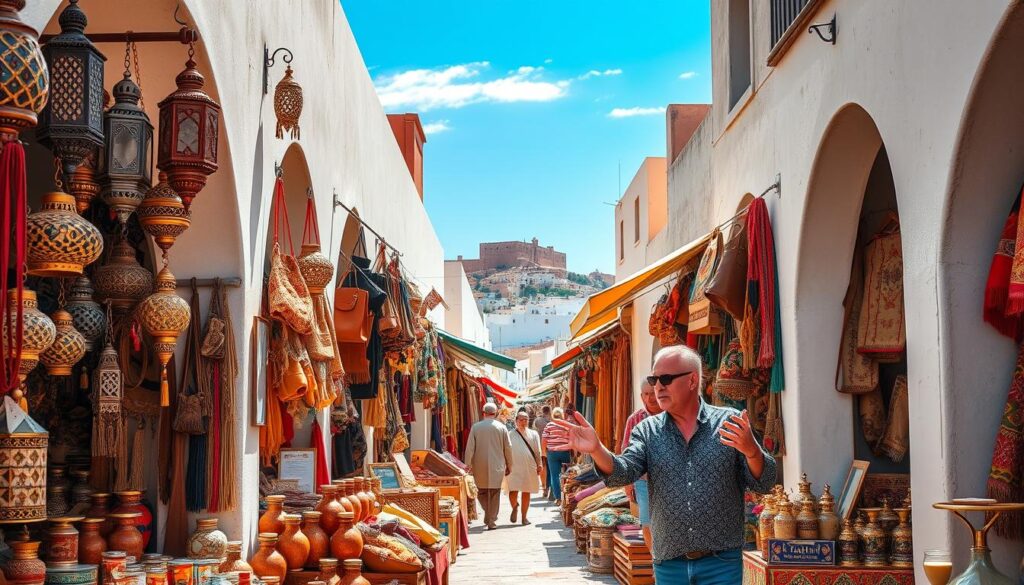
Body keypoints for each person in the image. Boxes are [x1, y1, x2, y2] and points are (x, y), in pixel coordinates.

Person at [546, 345, 776, 583]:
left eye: (666, 379)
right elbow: (623, 472)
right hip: (669, 564)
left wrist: (752, 451)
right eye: (654, 379)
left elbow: (765, 482)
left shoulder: (728, 422)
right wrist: (597, 449)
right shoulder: (647, 430)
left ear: (692, 380)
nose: (658, 387)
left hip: (721, 564)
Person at [621, 379, 663, 551]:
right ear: (641, 396)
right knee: (647, 523)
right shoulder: (635, 419)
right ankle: (656, 563)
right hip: (643, 480)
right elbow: (626, 450)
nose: (650, 398)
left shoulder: (672, 415)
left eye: (653, 393)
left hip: (669, 480)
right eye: (646, 394)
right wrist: (627, 481)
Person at [464, 402, 514, 530]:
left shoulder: (476, 427)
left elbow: (470, 448)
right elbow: (508, 448)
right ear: (496, 413)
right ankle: (491, 518)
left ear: (483, 413)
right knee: (494, 492)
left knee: (481, 491)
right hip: (497, 464)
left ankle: (489, 514)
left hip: (479, 464)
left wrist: (467, 464)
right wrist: (510, 464)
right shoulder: (501, 427)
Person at [506, 410, 543, 524]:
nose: (523, 422)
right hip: (514, 467)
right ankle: (515, 506)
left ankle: (524, 517)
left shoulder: (534, 434)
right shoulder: (509, 434)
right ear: (516, 421)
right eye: (521, 420)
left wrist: (539, 463)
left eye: (526, 419)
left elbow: (537, 451)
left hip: (529, 466)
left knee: (527, 491)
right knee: (513, 490)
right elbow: (505, 451)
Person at [541, 407, 572, 506]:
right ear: (562, 415)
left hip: (552, 453)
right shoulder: (567, 425)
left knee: (554, 476)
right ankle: (568, 497)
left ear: (553, 415)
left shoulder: (549, 425)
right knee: (569, 475)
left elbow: (544, 440)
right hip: (565, 452)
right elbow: (572, 438)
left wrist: (543, 452)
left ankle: (558, 498)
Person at [533, 405, 552, 497]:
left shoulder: (538, 421)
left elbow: (534, 432)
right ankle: (551, 488)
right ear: (549, 411)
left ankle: (544, 488)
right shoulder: (553, 420)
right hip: (552, 447)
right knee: (551, 468)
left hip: (541, 447)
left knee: (543, 467)